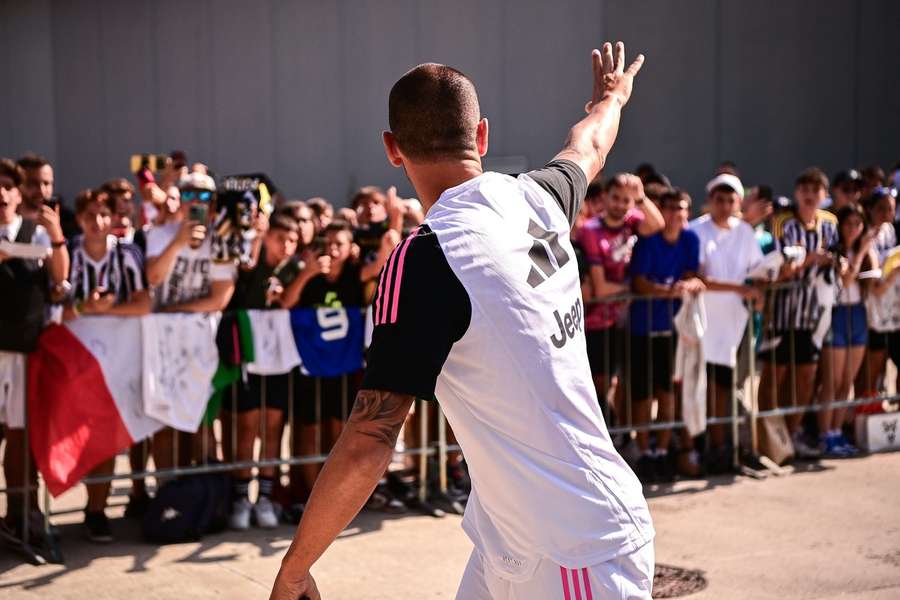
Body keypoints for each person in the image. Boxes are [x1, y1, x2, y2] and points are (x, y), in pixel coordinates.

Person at [271, 41, 654, 600]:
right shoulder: (540, 197)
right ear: (482, 136)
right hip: (514, 540)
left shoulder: (425, 258)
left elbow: (371, 434)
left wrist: (295, 568)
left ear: (392, 150)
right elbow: (590, 141)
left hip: (575, 548)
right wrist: (612, 96)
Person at [280, 220, 398, 517]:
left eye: (339, 245)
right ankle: (308, 498)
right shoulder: (307, 274)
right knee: (309, 432)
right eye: (327, 243)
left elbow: (384, 260)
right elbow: (286, 303)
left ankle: (333, 499)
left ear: (350, 249)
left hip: (343, 369)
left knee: (337, 432)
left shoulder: (353, 275)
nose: (332, 250)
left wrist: (394, 222)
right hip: (309, 369)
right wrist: (306, 273)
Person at [62, 189, 150, 542]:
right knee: (75, 436)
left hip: (118, 360)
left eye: (104, 215)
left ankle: (97, 509)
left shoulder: (127, 255)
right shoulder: (67, 253)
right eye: (91, 216)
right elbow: (55, 308)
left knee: (107, 438)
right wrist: (85, 309)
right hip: (73, 359)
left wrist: (106, 310)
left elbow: (144, 304)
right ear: (80, 219)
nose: (98, 223)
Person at [144, 172, 238, 472]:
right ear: (178, 201)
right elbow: (153, 277)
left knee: (203, 419)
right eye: (188, 195)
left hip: (202, 342)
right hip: (161, 344)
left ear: (213, 205)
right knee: (163, 422)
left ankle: (202, 496)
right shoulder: (158, 234)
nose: (195, 201)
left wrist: (175, 310)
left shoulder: (221, 239)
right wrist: (178, 242)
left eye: (204, 196)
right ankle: (166, 493)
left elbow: (220, 298)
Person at [0, 158, 69, 552]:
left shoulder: (35, 233)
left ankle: (20, 515)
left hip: (25, 352)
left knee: (20, 439)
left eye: (9, 186)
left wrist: (56, 235)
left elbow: (59, 281)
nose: (3, 193)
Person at [223, 214, 302, 530]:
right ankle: (242, 498)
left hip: (280, 357)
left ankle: (265, 498)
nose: (285, 245)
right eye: (279, 237)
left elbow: (288, 303)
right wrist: (255, 236)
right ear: (268, 237)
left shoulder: (295, 268)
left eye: (292, 240)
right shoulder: (250, 264)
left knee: (272, 426)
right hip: (249, 354)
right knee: (247, 427)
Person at [758, 167, 838, 458]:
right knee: (773, 376)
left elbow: (837, 256)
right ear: (796, 193)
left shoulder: (830, 223)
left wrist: (833, 263)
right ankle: (768, 437)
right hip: (782, 312)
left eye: (815, 189)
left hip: (812, 316)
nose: (809, 194)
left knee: (806, 375)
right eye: (804, 189)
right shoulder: (782, 224)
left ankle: (791, 435)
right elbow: (779, 267)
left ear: (823, 195)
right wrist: (807, 261)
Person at [689, 174, 764, 473]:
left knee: (725, 387)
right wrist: (740, 289)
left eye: (730, 200)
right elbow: (699, 278)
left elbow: (757, 269)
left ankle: (725, 448)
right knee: (703, 386)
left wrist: (761, 285)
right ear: (711, 201)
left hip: (734, 324)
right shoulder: (696, 230)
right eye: (719, 199)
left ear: (738, 203)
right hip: (702, 322)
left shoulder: (745, 232)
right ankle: (708, 447)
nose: (724, 205)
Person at [628, 188, 704, 483]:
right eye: (670, 207)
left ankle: (662, 451)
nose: (675, 213)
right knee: (643, 395)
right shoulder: (649, 242)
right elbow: (640, 282)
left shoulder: (690, 240)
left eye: (681, 208)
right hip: (643, 328)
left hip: (674, 330)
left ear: (688, 213)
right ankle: (645, 451)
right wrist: (668, 290)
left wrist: (690, 283)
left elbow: (690, 273)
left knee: (668, 392)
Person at [578, 173, 663, 421]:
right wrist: (631, 288)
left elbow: (657, 225)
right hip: (594, 319)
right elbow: (601, 288)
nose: (620, 204)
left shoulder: (631, 221)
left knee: (619, 378)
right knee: (598, 381)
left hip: (622, 318)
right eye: (616, 198)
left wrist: (641, 197)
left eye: (626, 200)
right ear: (606, 198)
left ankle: (617, 430)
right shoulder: (590, 231)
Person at [817, 204, 875, 457]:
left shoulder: (867, 254)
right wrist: (861, 250)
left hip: (858, 314)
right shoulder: (836, 251)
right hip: (837, 315)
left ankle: (837, 432)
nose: (853, 229)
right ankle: (823, 434)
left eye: (858, 224)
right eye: (849, 224)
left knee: (847, 382)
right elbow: (846, 279)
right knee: (833, 381)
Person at [857, 187, 900, 400]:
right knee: (871, 366)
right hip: (871, 312)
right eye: (881, 209)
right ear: (870, 210)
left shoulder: (890, 231)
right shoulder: (866, 235)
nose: (886, 214)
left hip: (892, 312)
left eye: (890, 209)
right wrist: (894, 273)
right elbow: (875, 285)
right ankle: (865, 410)